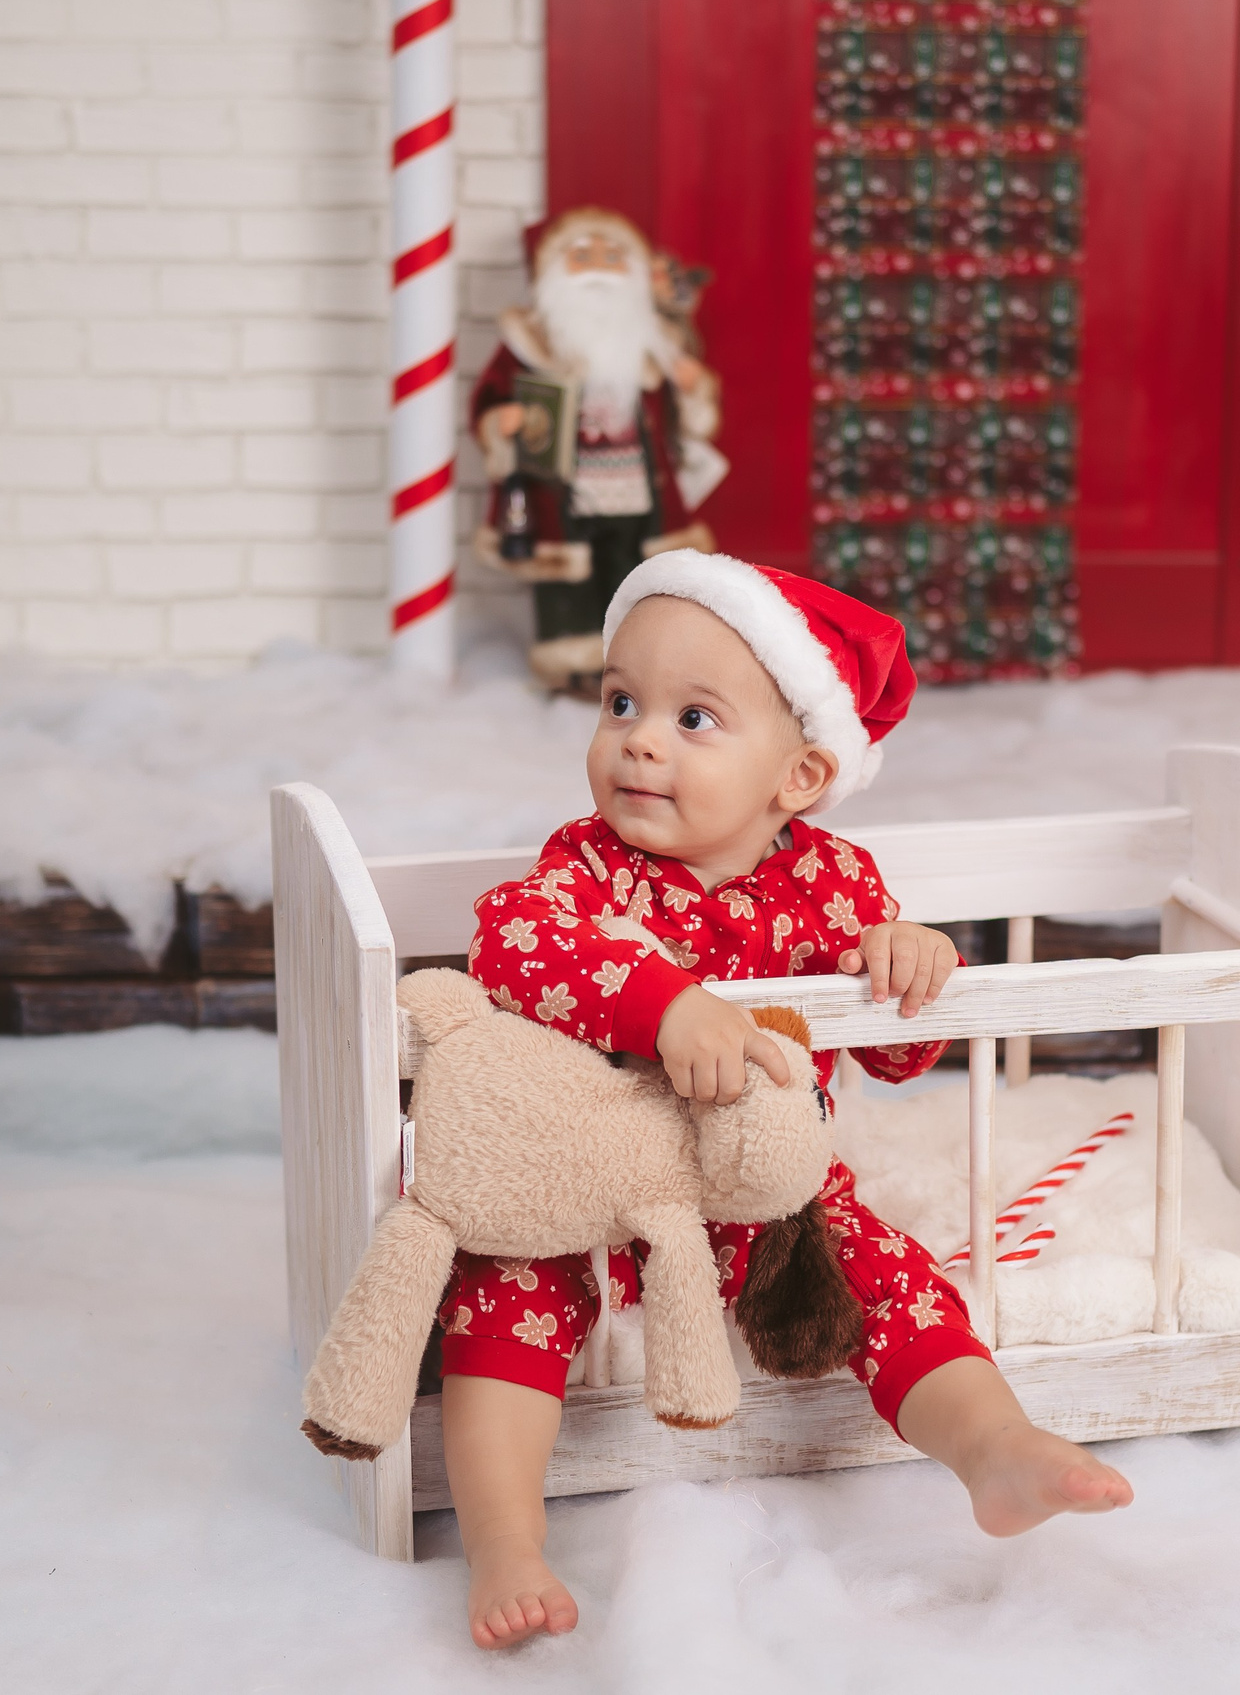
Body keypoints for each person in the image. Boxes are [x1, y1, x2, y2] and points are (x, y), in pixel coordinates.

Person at [439, 550, 1133, 1649]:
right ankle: (504, 1541)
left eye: (693, 717)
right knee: (500, 1292)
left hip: (771, 1193)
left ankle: (994, 1445)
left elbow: (897, 1059)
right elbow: (514, 941)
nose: (640, 738)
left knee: (886, 1272)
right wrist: (666, 1005)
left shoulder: (837, 886)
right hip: (593, 1183)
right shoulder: (586, 869)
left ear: (799, 777)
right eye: (620, 701)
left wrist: (907, 965)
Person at [471, 209, 726, 692]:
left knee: (634, 574)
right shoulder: (530, 343)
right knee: (567, 579)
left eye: (612, 258)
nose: (598, 269)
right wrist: (500, 421)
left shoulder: (653, 344)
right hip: (562, 489)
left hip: (637, 487)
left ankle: (632, 667)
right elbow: (490, 397)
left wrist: (694, 390)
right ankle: (572, 664)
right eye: (582, 256)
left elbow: (685, 421)